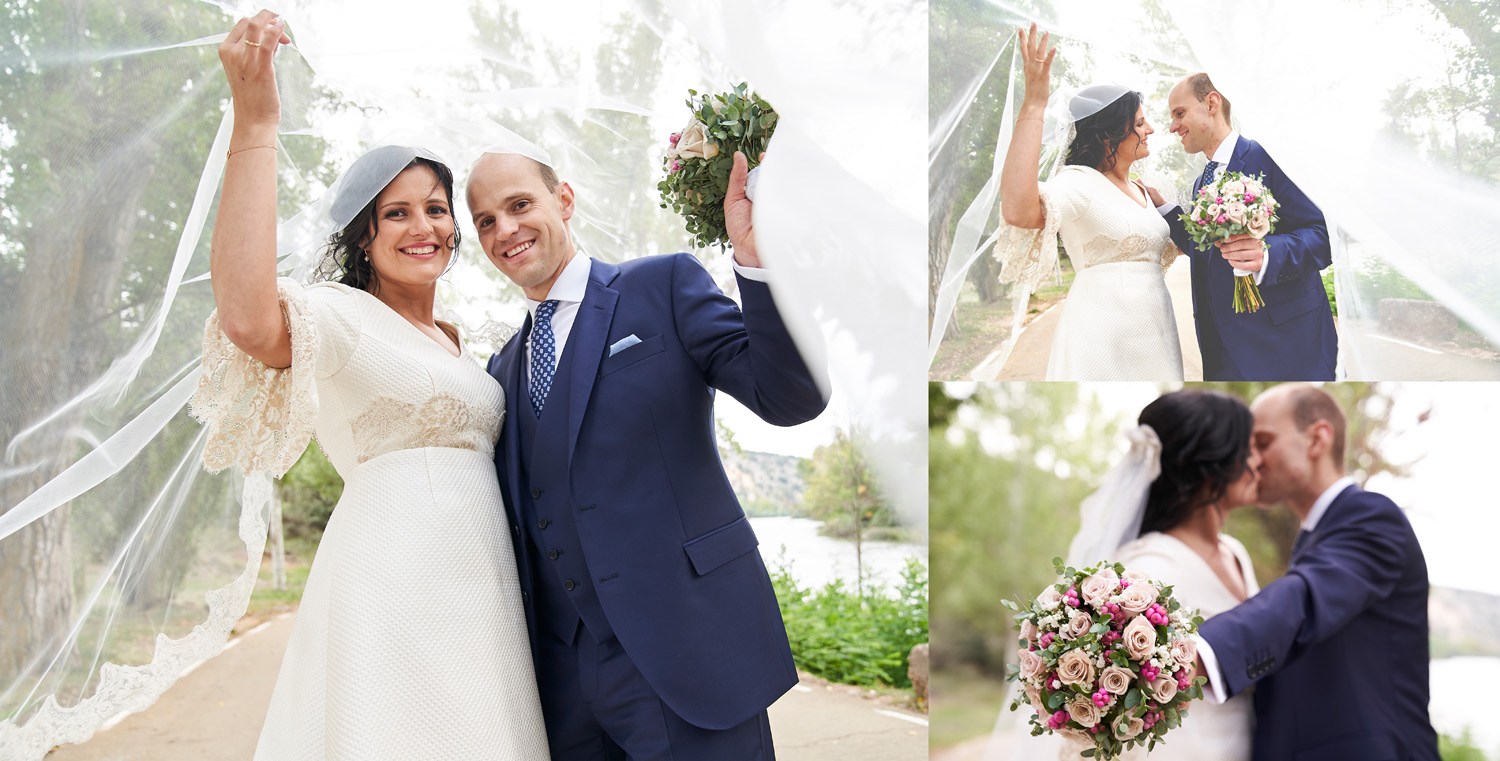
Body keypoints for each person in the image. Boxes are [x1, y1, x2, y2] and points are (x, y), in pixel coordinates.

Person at [192, 11, 548, 758]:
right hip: (391, 580)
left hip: (483, 586)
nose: (423, 226)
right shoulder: (339, 316)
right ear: (364, 234)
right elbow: (250, 319)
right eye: (397, 212)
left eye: (436, 209)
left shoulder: (457, 344)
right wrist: (256, 124)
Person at [467, 142, 828, 755]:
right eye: (485, 221)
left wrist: (757, 260)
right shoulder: (500, 370)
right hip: (564, 688)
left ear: (565, 199)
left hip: (690, 651)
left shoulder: (660, 285)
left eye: (519, 204)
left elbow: (791, 398)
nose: (506, 229)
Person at [996, 389, 1260, 761]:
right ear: (1210, 464)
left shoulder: (1236, 551)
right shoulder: (1148, 569)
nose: (1259, 461)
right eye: (1248, 448)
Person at [1192, 384, 1437, 760]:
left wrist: (1195, 653)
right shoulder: (1316, 538)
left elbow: (1302, 600)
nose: (1252, 460)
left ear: (1317, 439)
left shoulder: (1373, 518)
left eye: (1263, 442)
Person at [995, 23, 1183, 381]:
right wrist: (1035, 104)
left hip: (1157, 333)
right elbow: (1018, 211)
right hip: (1100, 334)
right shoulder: (1078, 183)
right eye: (1140, 123)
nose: (1152, 129)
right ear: (1109, 136)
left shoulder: (1147, 191)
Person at [1144, 74, 1337, 381]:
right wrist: (1166, 209)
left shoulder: (1272, 155)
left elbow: (1323, 237)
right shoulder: (1199, 185)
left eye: (1179, 113)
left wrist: (1267, 254)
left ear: (1211, 103)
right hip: (1222, 353)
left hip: (1286, 346)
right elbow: (1206, 251)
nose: (1172, 127)